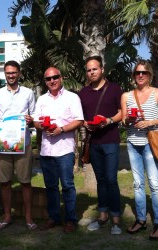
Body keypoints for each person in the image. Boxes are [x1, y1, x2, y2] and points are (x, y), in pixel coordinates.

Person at [33, 67, 83, 234]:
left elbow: (79, 120)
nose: (52, 81)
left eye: (55, 77)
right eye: (48, 79)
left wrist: (60, 129)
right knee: (51, 186)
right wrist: (43, 125)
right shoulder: (41, 99)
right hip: (47, 150)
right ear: (45, 81)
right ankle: (54, 217)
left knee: (67, 185)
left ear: (61, 77)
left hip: (64, 150)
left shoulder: (72, 97)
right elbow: (35, 122)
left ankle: (70, 220)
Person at [0, 60, 37, 230]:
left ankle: (29, 218)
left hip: (23, 142)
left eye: (14, 72)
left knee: (25, 181)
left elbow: (34, 116)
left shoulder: (28, 93)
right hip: (4, 142)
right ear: (5, 74)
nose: (11, 75)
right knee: (5, 181)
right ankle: (7, 215)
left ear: (19, 73)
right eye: (8, 73)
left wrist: (31, 119)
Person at [79, 55, 122, 235]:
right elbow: (79, 116)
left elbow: (122, 113)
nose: (91, 72)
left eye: (94, 69)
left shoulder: (114, 89)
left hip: (111, 140)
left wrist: (109, 120)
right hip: (94, 142)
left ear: (102, 69)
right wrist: (85, 124)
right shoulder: (83, 93)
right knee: (101, 180)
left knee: (111, 179)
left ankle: (117, 220)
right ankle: (103, 215)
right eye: (89, 70)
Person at [121, 60, 158, 240]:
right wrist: (128, 120)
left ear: (150, 75)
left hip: (151, 143)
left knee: (154, 184)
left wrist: (150, 122)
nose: (140, 76)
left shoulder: (156, 93)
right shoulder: (127, 96)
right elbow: (123, 120)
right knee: (137, 183)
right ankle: (141, 219)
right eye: (137, 73)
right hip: (132, 142)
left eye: (144, 73)